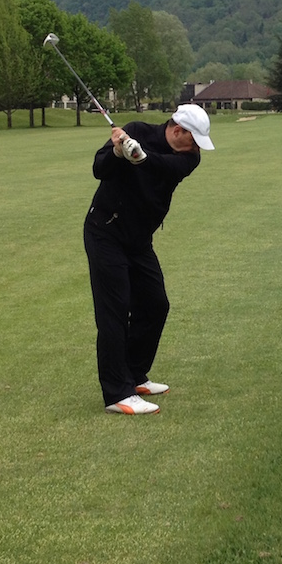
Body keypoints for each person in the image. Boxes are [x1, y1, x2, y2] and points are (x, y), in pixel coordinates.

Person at [83, 103, 214, 414]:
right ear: (178, 130)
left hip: (139, 240)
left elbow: (162, 168)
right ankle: (117, 393)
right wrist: (117, 153)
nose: (196, 148)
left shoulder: (188, 159)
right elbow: (99, 169)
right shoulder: (137, 131)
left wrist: (139, 156)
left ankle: (134, 374)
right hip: (106, 232)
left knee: (156, 304)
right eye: (193, 139)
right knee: (114, 310)